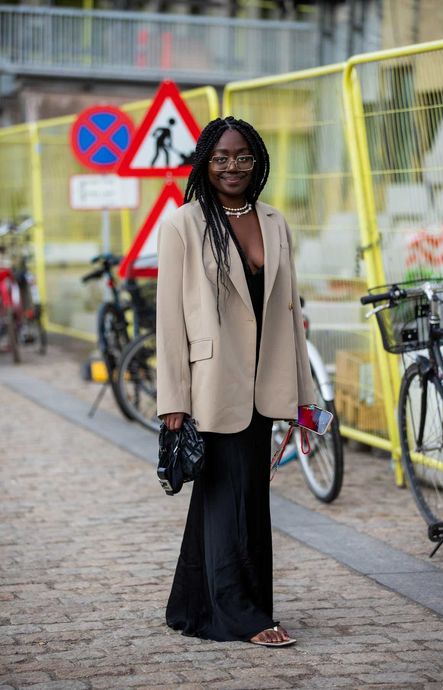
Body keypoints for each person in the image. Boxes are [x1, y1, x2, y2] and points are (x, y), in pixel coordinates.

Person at [156, 116, 315, 647]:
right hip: (212, 382)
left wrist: (304, 394)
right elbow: (169, 317)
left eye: (243, 156)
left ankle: (193, 605)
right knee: (228, 495)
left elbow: (291, 312)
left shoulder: (274, 221)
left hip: (264, 381)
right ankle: (243, 615)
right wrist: (173, 397)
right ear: (205, 161)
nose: (232, 166)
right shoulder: (184, 223)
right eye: (221, 157)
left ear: (257, 161)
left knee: (246, 496)